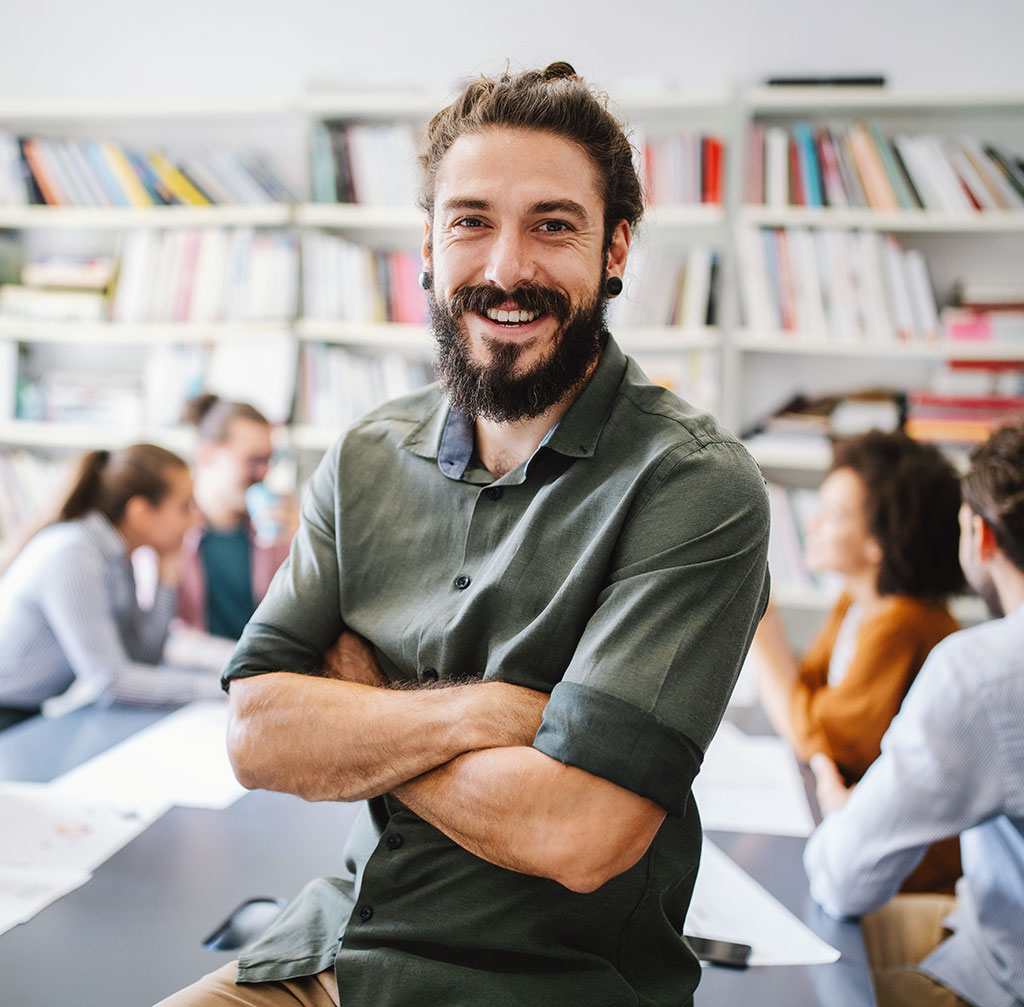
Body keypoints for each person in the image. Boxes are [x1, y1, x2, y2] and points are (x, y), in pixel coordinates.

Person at [158, 63, 771, 1007]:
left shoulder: (694, 486)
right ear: (429, 248)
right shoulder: (365, 455)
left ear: (616, 248)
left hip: (553, 988)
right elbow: (258, 733)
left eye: (553, 225)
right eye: (471, 221)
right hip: (333, 954)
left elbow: (579, 833)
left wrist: (364, 700)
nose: (505, 269)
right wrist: (483, 713)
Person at [803, 422, 1024, 1007]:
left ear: (981, 537)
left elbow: (844, 876)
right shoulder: (866, 608)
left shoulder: (982, 669)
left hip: (999, 973)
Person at [751, 430, 964, 892]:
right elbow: (806, 692)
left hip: (912, 871)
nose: (815, 525)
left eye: (836, 515)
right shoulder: (858, 602)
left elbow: (819, 732)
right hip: (859, 830)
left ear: (881, 542)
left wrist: (759, 622)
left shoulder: (903, 623)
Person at [0, 444, 224, 732]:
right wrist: (224, 688)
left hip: (26, 713)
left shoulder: (116, 555)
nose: (196, 520)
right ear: (140, 513)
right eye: (185, 507)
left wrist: (167, 575)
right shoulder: (75, 553)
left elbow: (141, 656)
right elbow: (110, 682)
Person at [178, 394, 297, 640]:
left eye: (269, 460)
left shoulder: (276, 529)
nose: (264, 472)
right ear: (208, 454)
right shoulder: (172, 531)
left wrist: (306, 545)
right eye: (254, 460)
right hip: (194, 672)